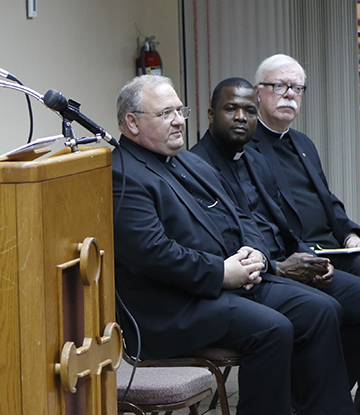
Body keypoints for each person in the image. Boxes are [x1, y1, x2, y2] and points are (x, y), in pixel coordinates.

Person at [113, 74, 355, 414]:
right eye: (165, 113)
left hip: (228, 283)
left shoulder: (187, 161)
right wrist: (221, 272)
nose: (179, 121)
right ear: (132, 123)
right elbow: (152, 253)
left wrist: (256, 253)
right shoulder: (122, 173)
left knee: (320, 310)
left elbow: (243, 216)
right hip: (175, 305)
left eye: (180, 110)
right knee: (274, 329)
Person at [190, 77, 360, 403]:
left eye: (249, 111)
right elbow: (222, 241)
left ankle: (314, 396)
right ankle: (318, 401)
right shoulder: (197, 166)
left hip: (289, 262)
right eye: (231, 109)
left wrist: (308, 256)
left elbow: (282, 224)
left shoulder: (256, 159)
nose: (241, 117)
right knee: (324, 309)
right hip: (259, 275)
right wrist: (280, 267)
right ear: (211, 114)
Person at [250, 54, 360, 276]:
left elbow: (326, 199)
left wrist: (350, 235)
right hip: (301, 257)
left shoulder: (303, 142)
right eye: (279, 86)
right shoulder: (246, 147)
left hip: (338, 250)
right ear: (258, 92)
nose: (289, 94)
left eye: (297, 88)